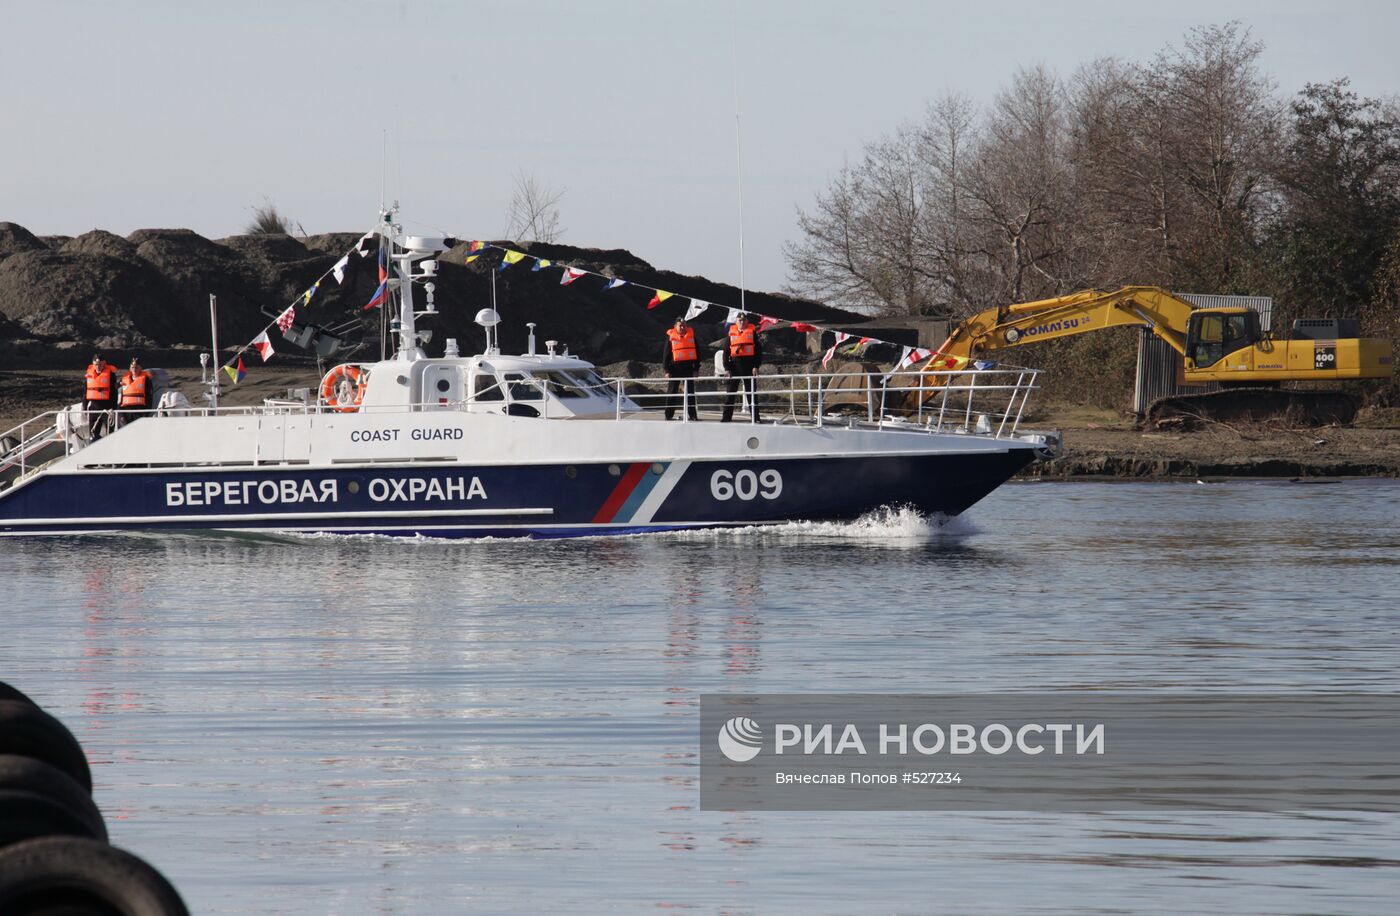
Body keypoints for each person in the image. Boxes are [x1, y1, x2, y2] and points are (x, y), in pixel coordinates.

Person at [721, 313, 762, 423]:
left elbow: (758, 352)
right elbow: (726, 353)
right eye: (740, 320)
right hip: (734, 367)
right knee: (730, 393)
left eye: (744, 320)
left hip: (749, 367)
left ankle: (756, 418)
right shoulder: (730, 335)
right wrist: (727, 368)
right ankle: (726, 418)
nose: (742, 322)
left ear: (747, 321)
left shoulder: (753, 334)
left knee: (752, 394)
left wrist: (756, 366)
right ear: (736, 321)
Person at [663, 317, 700, 421]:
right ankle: (668, 415)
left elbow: (697, 354)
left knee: (690, 393)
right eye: (680, 325)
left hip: (688, 369)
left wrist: (696, 369)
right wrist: (666, 371)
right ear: (675, 327)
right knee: (672, 392)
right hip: (674, 369)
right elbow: (666, 355)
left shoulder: (692, 337)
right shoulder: (671, 338)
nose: (682, 327)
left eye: (684, 325)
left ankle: (692, 416)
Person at [83, 354, 118, 439]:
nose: (98, 366)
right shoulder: (89, 375)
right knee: (93, 433)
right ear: (93, 364)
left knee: (110, 433)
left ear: (104, 363)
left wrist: (113, 407)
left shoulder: (111, 375)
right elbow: (85, 393)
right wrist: (84, 408)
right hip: (94, 409)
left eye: (100, 364)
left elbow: (114, 393)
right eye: (96, 364)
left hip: (107, 409)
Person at [118, 357, 153, 428]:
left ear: (140, 368)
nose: (134, 369)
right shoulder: (124, 379)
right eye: (132, 367)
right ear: (130, 368)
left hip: (140, 411)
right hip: (126, 411)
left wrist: (146, 413)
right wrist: (121, 412)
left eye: (136, 367)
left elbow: (149, 397)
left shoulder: (146, 380)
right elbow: (120, 397)